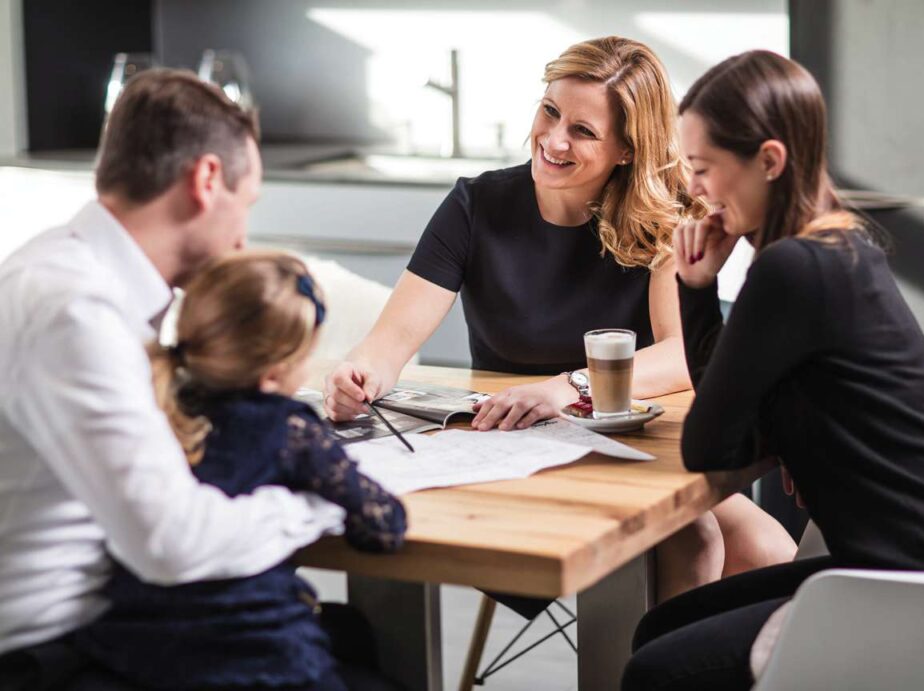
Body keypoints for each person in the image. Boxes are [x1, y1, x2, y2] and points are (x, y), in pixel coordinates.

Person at [323, 36, 796, 603]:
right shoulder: (475, 206)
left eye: (583, 131)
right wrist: (357, 375)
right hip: (507, 447)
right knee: (693, 539)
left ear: (627, 149)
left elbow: (680, 356)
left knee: (769, 552)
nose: (553, 139)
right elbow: (388, 344)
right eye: (550, 111)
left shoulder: (665, 215)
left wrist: (566, 390)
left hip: (623, 444)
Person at [622, 50, 924, 691]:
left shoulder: (793, 268)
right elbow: (747, 428)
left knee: (655, 669)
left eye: (702, 168)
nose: (692, 190)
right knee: (660, 630)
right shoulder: (842, 244)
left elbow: (709, 445)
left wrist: (695, 289)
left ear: (770, 161)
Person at [0, 70, 343, 689]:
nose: (244, 237)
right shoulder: (77, 312)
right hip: (54, 653)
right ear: (207, 180)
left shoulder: (68, 268)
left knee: (349, 637)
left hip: (117, 622)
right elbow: (169, 542)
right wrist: (319, 504)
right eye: (249, 203)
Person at [77, 251, 406, 690]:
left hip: (134, 651)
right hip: (256, 657)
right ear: (276, 373)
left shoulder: (148, 405)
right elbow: (384, 529)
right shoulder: (286, 428)